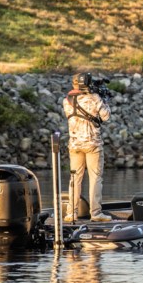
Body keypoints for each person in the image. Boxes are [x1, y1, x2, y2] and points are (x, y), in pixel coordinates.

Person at [62, 72, 112, 222]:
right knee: (95, 178)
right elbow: (106, 117)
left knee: (74, 179)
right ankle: (96, 213)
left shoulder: (67, 100)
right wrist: (103, 100)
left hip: (75, 144)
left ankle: (71, 213)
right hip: (92, 144)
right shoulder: (94, 98)